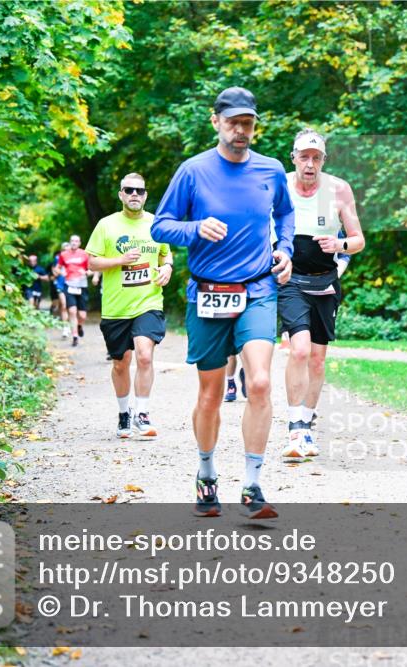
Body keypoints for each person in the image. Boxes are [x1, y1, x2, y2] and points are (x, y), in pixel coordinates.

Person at [152, 86, 293, 520]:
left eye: (247, 123)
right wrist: (194, 229)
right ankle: (207, 474)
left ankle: (252, 485)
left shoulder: (271, 171)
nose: (240, 131)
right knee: (211, 393)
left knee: (262, 383)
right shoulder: (193, 172)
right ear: (215, 122)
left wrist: (285, 248)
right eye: (232, 123)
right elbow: (160, 227)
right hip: (208, 292)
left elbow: (285, 214)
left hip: (258, 289)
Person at [278, 129, 364, 459]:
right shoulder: (280, 185)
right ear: (294, 158)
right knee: (298, 351)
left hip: (325, 281)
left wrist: (340, 244)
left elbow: (358, 240)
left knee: (316, 358)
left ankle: (306, 424)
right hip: (291, 279)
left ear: (323, 160)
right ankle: (294, 430)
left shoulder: (339, 189)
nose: (310, 164)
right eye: (304, 157)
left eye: (316, 157)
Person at [86, 173, 173, 439]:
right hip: (116, 307)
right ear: (121, 194)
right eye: (129, 190)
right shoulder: (106, 225)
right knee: (121, 363)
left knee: (145, 356)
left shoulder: (156, 223)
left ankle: (142, 414)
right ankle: (124, 414)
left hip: (148, 301)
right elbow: (92, 262)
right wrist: (119, 260)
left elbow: (165, 252)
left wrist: (167, 266)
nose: (135, 194)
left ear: (146, 195)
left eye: (140, 191)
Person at [58, 234, 91, 347]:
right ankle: (75, 336)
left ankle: (79, 325)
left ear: (80, 243)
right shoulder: (64, 255)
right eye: (72, 241)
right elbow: (58, 268)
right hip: (69, 285)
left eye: (76, 241)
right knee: (72, 311)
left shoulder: (84, 254)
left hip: (82, 285)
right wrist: (61, 272)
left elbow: (91, 269)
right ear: (70, 242)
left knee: (82, 315)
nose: (74, 243)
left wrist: (86, 273)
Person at [51, 242, 70, 337]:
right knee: (63, 305)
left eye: (68, 249)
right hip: (61, 284)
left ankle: (73, 324)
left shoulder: (74, 258)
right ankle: (65, 327)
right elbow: (54, 269)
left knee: (72, 308)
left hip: (72, 284)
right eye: (64, 249)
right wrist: (57, 273)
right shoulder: (58, 258)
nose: (66, 251)